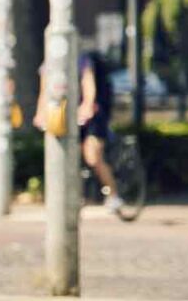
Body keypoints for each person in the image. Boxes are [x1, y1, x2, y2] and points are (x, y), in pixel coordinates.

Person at [33, 50, 123, 214]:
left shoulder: (82, 60)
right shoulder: (48, 65)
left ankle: (113, 195)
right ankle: (74, 195)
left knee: (93, 156)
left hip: (91, 117)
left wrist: (87, 106)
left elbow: (88, 85)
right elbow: (44, 91)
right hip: (65, 114)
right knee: (66, 156)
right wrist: (40, 113)